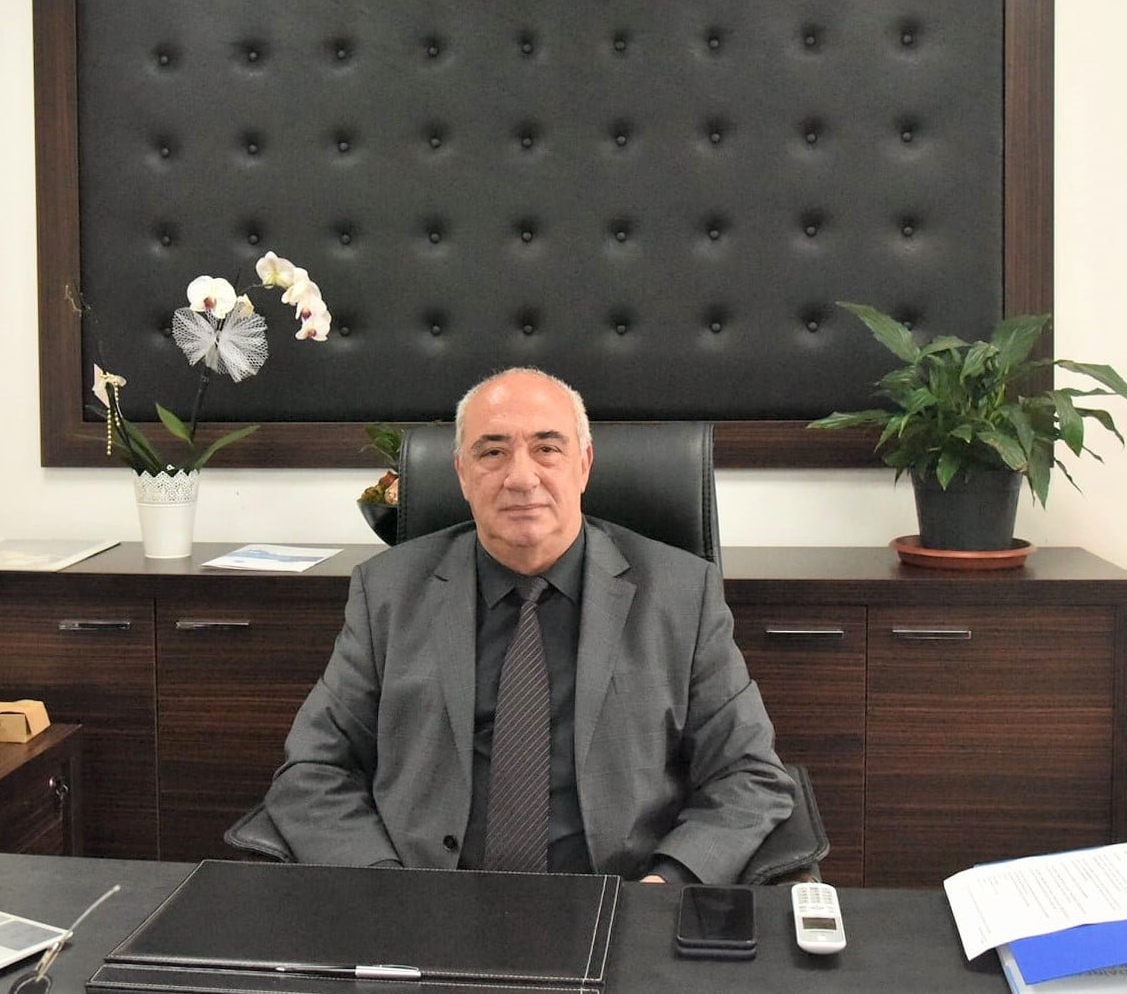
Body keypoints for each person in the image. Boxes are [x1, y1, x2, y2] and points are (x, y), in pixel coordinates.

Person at [266, 367, 793, 884]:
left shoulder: (680, 595)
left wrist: (666, 886)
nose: (521, 478)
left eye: (547, 448)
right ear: (462, 474)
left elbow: (747, 775)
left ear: (583, 464)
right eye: (492, 452)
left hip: (619, 904)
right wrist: (384, 885)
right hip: (424, 902)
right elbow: (313, 770)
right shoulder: (388, 592)